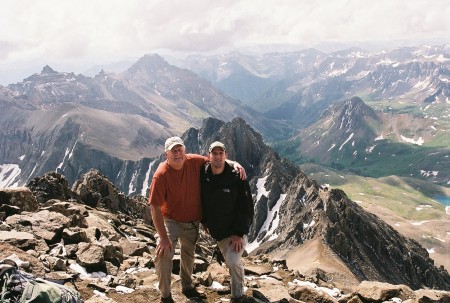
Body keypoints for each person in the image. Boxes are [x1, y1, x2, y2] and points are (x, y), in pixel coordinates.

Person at [149, 136, 246, 303]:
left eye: (180, 149)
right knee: (163, 254)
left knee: (188, 254)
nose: (178, 153)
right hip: (170, 220)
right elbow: (155, 207)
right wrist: (163, 238)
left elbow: (215, 159)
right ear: (167, 154)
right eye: (174, 151)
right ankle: (165, 296)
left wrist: (235, 164)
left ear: (185, 151)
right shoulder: (161, 175)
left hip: (193, 221)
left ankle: (187, 286)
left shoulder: (194, 161)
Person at [200, 141, 254, 303]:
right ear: (209, 156)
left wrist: (238, 233)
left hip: (234, 231)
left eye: (220, 153)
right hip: (218, 231)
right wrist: (204, 221)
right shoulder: (204, 174)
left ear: (226, 155)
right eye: (214, 154)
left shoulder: (237, 177)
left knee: (232, 261)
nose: (217, 157)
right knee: (230, 260)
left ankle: (237, 296)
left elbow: (247, 208)